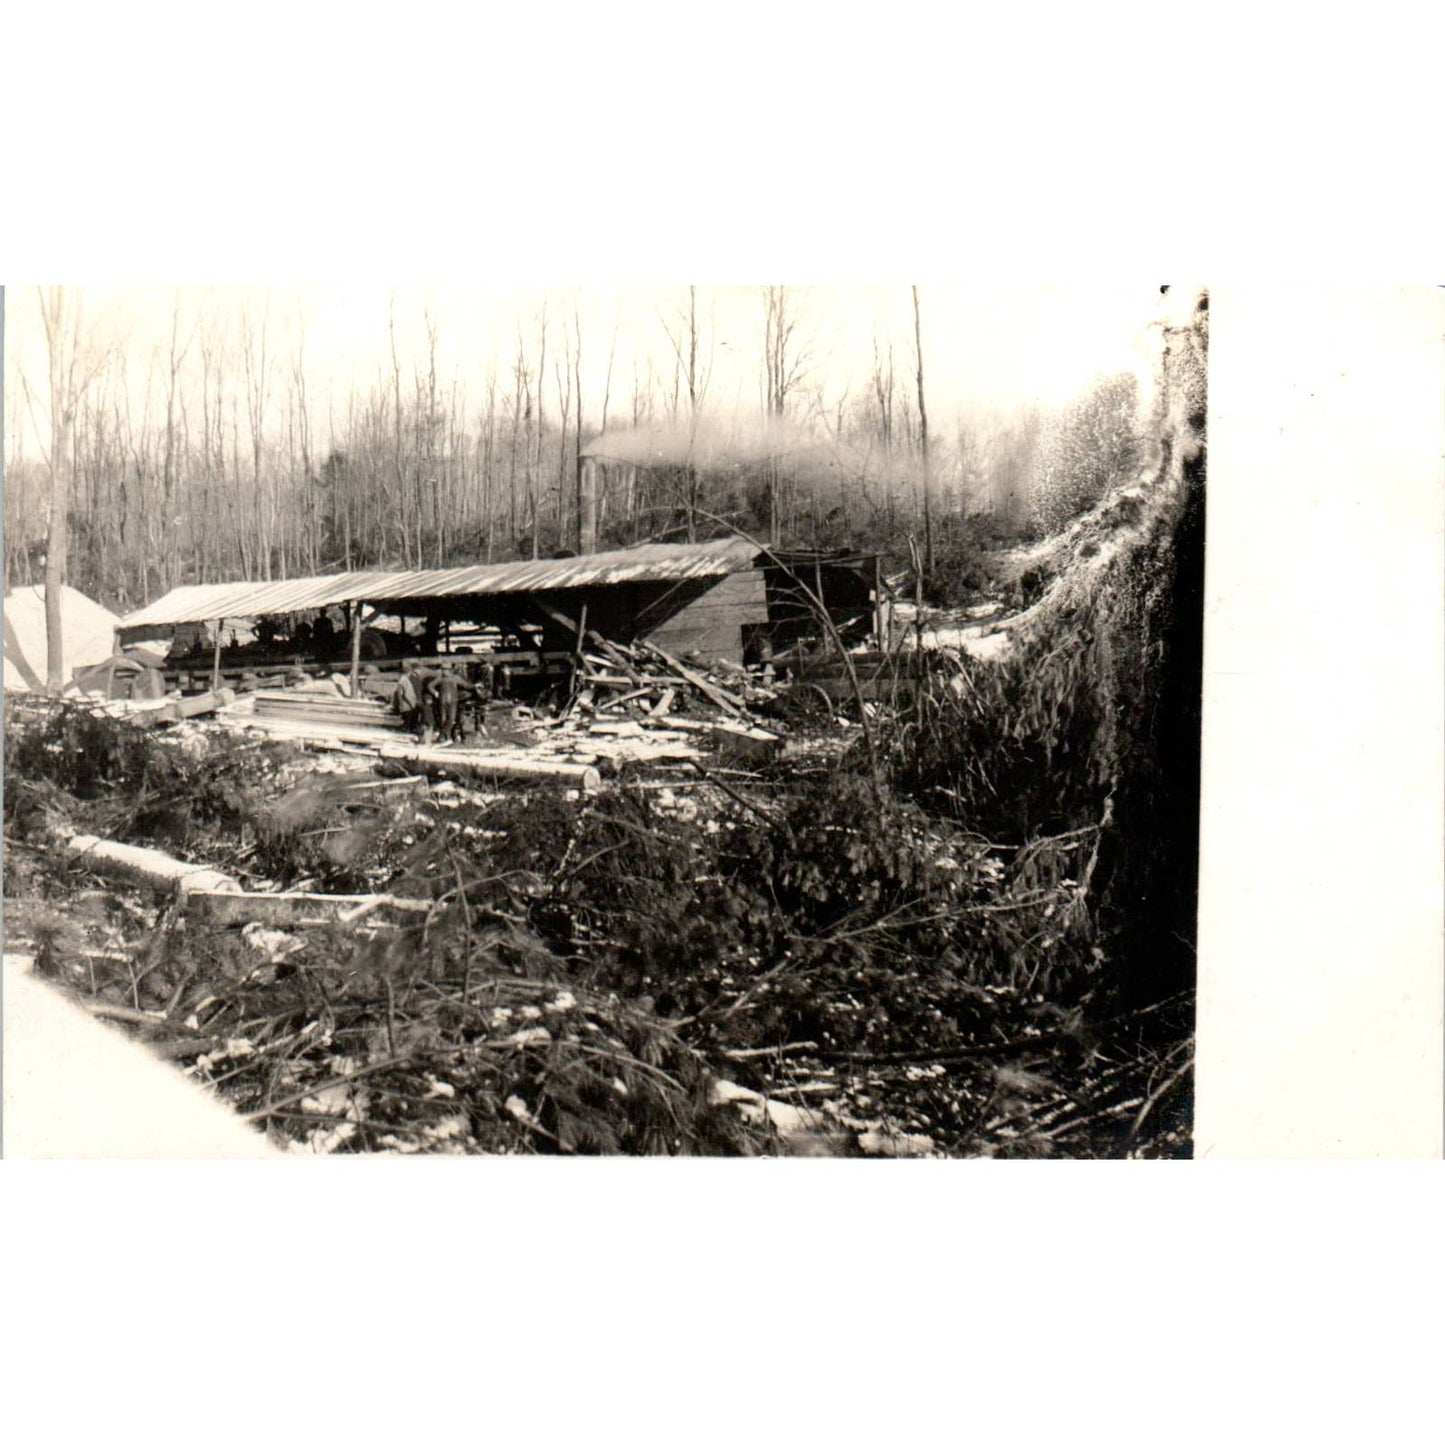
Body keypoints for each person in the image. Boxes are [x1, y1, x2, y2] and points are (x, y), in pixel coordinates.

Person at [391, 660, 422, 735]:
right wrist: (411, 703)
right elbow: (407, 693)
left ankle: (408, 728)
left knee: (410, 717)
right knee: (410, 717)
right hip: (409, 703)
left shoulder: (404, 679)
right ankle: (408, 729)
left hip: (408, 702)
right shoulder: (405, 679)